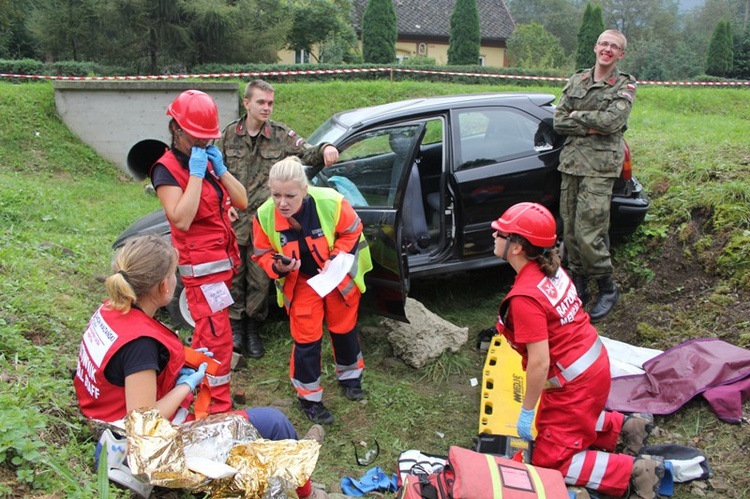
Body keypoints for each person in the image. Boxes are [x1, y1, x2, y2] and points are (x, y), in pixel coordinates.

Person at [73, 235, 326, 498]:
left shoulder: (112, 309)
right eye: (174, 273)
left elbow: (123, 372)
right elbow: (143, 424)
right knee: (275, 423)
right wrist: (185, 385)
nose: (175, 279)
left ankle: (296, 462)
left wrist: (178, 361)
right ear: (163, 286)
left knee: (266, 429)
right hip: (142, 444)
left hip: (104, 416)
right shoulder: (141, 346)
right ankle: (308, 491)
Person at [490, 202, 663, 499]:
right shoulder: (551, 272)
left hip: (574, 385)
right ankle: (628, 426)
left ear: (517, 247)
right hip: (592, 369)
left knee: (549, 461)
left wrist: (526, 410)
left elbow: (540, 363)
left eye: (501, 233)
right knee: (565, 421)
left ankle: (634, 472)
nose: (494, 235)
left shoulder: (525, 298)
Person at [218, 79, 340, 359]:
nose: (266, 108)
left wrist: (326, 148)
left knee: (261, 279)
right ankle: (235, 326)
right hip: (235, 221)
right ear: (247, 103)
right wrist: (225, 203)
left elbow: (308, 151)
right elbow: (215, 173)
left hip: (265, 222)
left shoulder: (281, 135)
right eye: (261, 102)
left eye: (270, 103)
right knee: (234, 276)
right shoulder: (227, 136)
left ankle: (252, 328)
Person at [252, 156, 372, 425]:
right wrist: (278, 267)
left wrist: (336, 257)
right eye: (276, 195)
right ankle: (309, 398)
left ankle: (351, 378)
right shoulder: (263, 215)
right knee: (306, 341)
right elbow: (262, 253)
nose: (282, 203)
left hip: (337, 277)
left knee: (344, 329)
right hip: (302, 282)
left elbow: (352, 231)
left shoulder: (331, 202)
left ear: (304, 190)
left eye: (290, 196)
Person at [150, 89, 248, 414]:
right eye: (198, 136)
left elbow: (242, 200)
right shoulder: (166, 170)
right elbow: (181, 217)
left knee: (215, 340)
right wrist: (194, 174)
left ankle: (207, 400)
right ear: (176, 128)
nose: (204, 144)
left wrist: (219, 171)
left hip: (219, 273)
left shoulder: (206, 160)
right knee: (215, 342)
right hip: (202, 278)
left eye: (209, 138)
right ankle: (214, 410)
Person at [553, 29, 637, 322]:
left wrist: (578, 116)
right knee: (570, 231)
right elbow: (558, 119)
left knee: (590, 232)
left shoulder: (624, 85)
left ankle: (606, 286)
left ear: (620, 54)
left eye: (614, 47)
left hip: (600, 168)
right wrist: (589, 125)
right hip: (572, 164)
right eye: (604, 44)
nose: (608, 49)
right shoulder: (578, 79)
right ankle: (578, 286)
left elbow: (613, 121)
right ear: (595, 47)